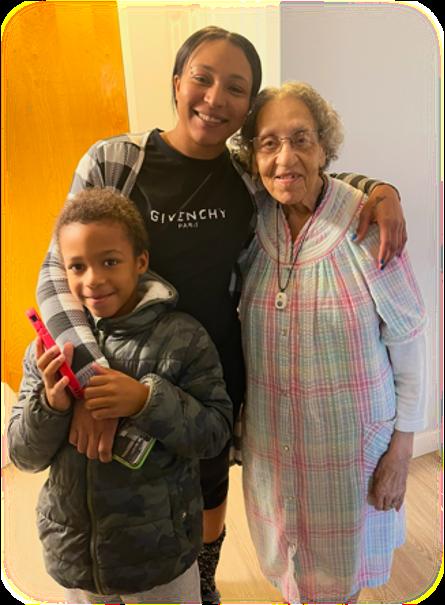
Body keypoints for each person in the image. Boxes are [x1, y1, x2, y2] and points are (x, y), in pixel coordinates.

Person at [36, 26, 408, 602]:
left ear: (247, 107)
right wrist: (89, 384)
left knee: (207, 491)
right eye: (202, 78)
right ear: (176, 82)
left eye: (236, 88)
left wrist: (379, 190)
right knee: (121, 496)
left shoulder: (243, 176)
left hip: (209, 375)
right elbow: (56, 275)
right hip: (116, 371)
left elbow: (302, 177)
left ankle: (203, 583)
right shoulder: (115, 161)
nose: (215, 98)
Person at [235, 81, 427, 603]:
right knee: (289, 566)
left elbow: (409, 344)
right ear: (253, 156)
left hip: (349, 450)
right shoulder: (252, 222)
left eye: (301, 139)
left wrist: (401, 452)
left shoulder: (367, 222)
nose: (285, 158)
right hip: (273, 444)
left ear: (325, 147)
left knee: (341, 574)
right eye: (269, 143)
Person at [8, 188, 233, 604]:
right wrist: (51, 405)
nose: (93, 279)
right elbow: (23, 455)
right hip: (76, 559)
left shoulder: (182, 338)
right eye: (77, 266)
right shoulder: (51, 348)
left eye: (109, 261)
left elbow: (215, 434)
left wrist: (146, 401)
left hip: (160, 559)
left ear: (140, 262)